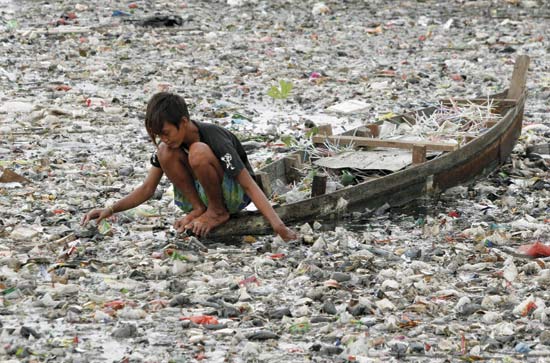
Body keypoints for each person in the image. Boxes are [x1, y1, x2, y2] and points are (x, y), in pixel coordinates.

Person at [81, 92, 298, 241]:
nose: (163, 139)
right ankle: (199, 209)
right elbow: (147, 189)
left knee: (198, 152)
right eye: (158, 135)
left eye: (166, 133)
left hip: (234, 196)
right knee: (164, 153)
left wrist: (279, 226)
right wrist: (109, 210)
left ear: (183, 122)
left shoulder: (214, 137)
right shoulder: (169, 146)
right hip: (204, 196)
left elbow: (249, 184)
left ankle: (217, 212)